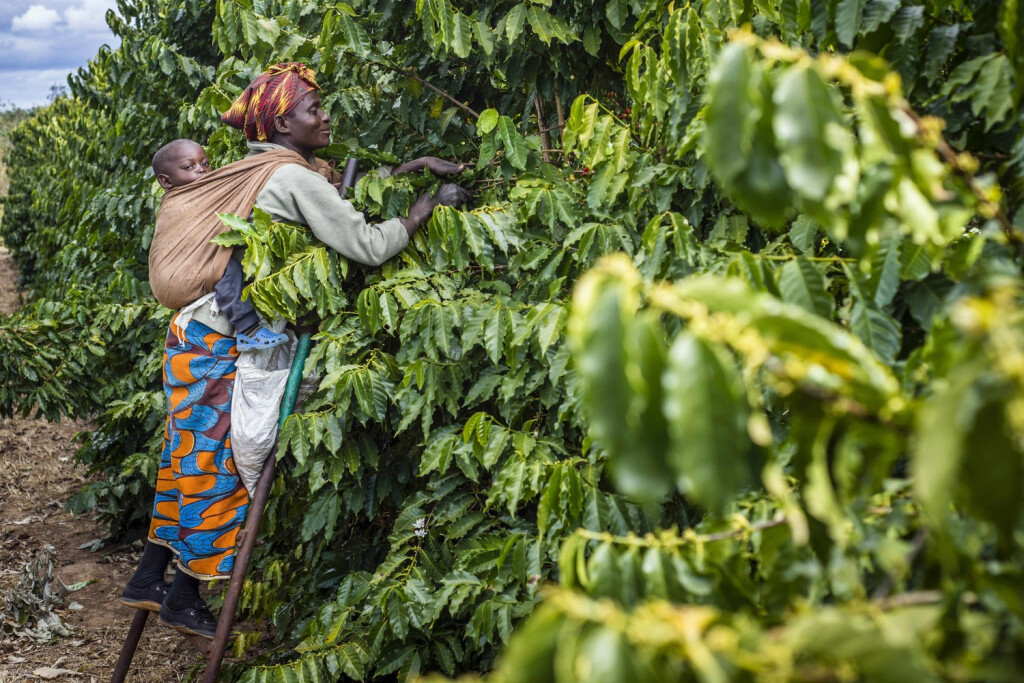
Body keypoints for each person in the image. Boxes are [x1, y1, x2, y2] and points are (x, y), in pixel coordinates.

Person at [121, 62, 471, 639]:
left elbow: (334, 192)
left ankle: (148, 578)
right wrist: (425, 208)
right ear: (283, 124)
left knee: (185, 455)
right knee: (217, 467)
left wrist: (407, 170)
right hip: (218, 345)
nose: (326, 116)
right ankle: (184, 595)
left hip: (192, 336)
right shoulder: (290, 177)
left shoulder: (258, 168)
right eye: (314, 109)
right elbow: (366, 243)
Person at [150, 138, 289, 351]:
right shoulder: (177, 203)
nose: (201, 170)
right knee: (224, 266)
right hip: (175, 277)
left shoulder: (210, 191)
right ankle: (248, 330)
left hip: (183, 272)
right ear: (166, 181)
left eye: (205, 163)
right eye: (189, 167)